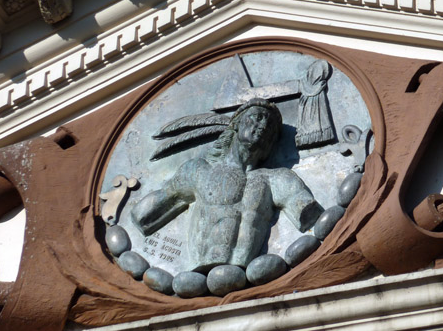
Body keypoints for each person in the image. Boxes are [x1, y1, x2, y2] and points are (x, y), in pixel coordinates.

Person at [132, 98, 323, 273]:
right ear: (237, 124)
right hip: (198, 275)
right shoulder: (199, 171)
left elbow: (313, 219)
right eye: (257, 118)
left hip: (249, 276)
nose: (263, 126)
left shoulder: (279, 180)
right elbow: (143, 216)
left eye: (271, 127)